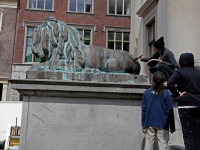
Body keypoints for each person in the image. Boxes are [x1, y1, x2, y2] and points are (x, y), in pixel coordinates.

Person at [167, 53, 200, 150]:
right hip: (198, 104)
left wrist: (177, 94)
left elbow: (170, 83)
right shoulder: (198, 72)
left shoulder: (180, 72)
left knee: (188, 134)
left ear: (181, 61)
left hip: (185, 105)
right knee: (198, 135)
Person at [142, 71, 175, 150]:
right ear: (163, 80)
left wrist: (143, 124)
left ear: (153, 80)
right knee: (163, 146)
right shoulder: (166, 94)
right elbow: (170, 110)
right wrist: (172, 126)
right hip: (163, 123)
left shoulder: (146, 93)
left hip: (149, 122)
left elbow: (144, 109)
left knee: (148, 146)